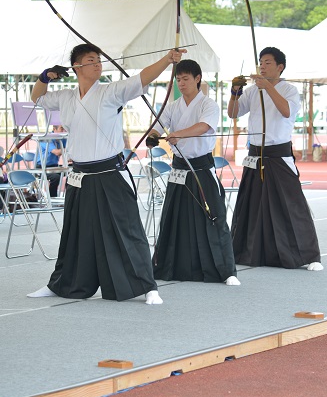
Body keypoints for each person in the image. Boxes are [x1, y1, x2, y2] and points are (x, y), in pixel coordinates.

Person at [27, 42, 185, 303]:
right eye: (91, 60)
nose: (98, 63)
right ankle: (63, 284)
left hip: (109, 172)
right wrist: (44, 77)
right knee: (75, 233)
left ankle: (147, 286)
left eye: (99, 59)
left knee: (127, 229)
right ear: (77, 66)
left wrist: (168, 60)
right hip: (79, 176)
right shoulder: (66, 96)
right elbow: (37, 97)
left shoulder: (111, 92)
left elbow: (142, 77)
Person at [228, 46, 323, 271]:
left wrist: (268, 86)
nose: (262, 65)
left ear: (280, 67)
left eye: (268, 62)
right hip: (255, 154)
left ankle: (307, 255)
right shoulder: (252, 91)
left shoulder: (289, 90)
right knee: (251, 207)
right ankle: (251, 252)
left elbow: (286, 111)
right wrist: (235, 92)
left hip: (278, 155)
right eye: (261, 61)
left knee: (291, 206)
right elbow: (233, 113)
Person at [146, 59, 240, 286]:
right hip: (179, 169)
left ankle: (225, 271)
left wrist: (180, 134)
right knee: (173, 218)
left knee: (213, 217)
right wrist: (153, 134)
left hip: (201, 168)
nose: (181, 83)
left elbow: (204, 127)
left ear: (197, 79)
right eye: (178, 79)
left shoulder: (208, 105)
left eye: (185, 79)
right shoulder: (173, 105)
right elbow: (159, 123)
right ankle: (168, 267)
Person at [36, 124, 67, 197]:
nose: (63, 131)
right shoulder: (46, 139)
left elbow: (65, 151)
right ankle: (52, 198)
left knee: (71, 175)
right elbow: (57, 152)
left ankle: (69, 197)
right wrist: (70, 149)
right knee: (55, 177)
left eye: (65, 129)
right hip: (41, 167)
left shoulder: (63, 139)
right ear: (54, 129)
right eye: (61, 128)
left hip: (54, 166)